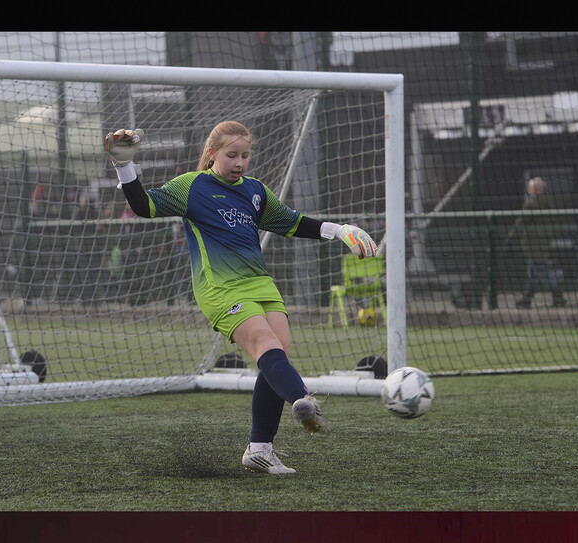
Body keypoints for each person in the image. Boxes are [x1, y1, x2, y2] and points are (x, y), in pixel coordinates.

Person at [105, 122, 377, 474]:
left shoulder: (255, 190)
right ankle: (303, 399)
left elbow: (292, 222)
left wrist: (340, 230)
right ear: (212, 154)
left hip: (260, 283)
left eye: (245, 155)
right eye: (231, 155)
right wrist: (125, 166)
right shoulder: (192, 186)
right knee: (266, 344)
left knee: (279, 354)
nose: (239, 163)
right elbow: (143, 206)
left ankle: (260, 449)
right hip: (219, 286)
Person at [509, 177, 566, 308]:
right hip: (544, 241)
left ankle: (557, 297)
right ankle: (527, 298)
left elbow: (521, 221)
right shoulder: (549, 202)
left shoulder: (531, 203)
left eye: (530, 188)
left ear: (534, 189)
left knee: (541, 270)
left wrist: (510, 238)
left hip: (532, 243)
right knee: (534, 272)